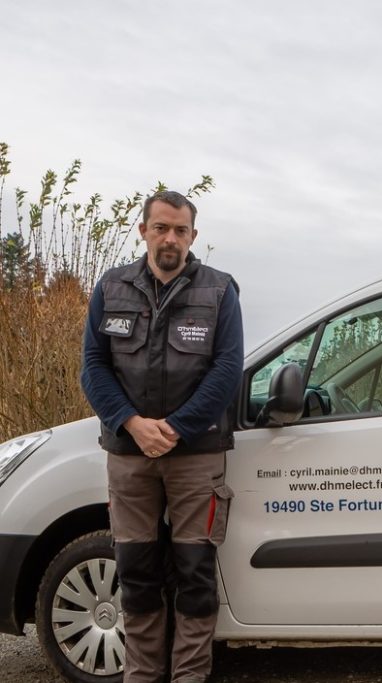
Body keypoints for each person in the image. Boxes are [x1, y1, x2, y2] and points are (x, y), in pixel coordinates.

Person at [81, 190, 244, 683]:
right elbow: (93, 366)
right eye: (161, 227)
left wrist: (174, 428)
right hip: (129, 455)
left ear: (193, 236)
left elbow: (227, 370)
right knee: (136, 573)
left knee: (194, 573)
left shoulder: (219, 292)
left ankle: (190, 676)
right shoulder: (111, 288)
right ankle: (142, 675)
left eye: (180, 230)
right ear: (143, 230)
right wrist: (132, 423)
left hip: (196, 455)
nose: (170, 237)